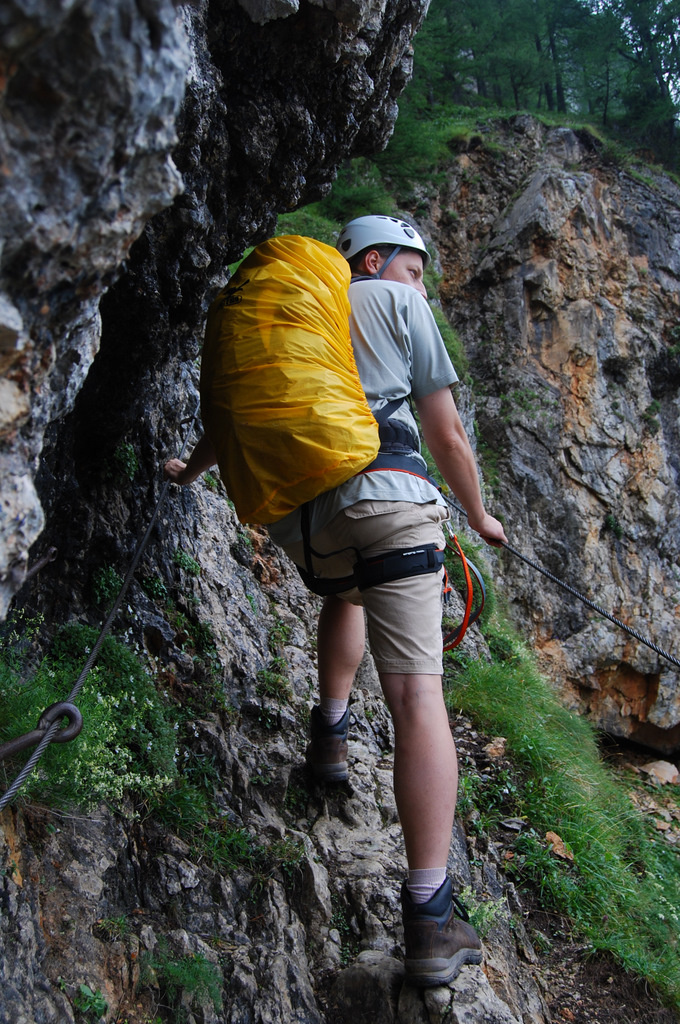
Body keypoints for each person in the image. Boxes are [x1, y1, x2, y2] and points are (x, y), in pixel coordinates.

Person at [164, 215, 507, 988]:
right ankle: (429, 917)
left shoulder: (290, 315)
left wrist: (187, 473)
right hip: (389, 497)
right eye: (414, 270)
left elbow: (236, 409)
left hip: (306, 523)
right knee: (419, 697)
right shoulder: (395, 304)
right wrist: (481, 519)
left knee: (349, 594)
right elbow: (446, 435)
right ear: (377, 259)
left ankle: (330, 734)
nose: (420, 285)